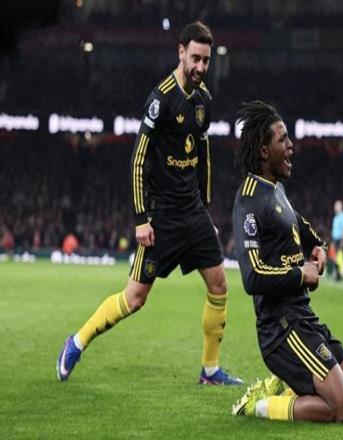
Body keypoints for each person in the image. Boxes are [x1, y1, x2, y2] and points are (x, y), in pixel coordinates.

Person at [56, 21, 243, 386]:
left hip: (193, 212)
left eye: (206, 60)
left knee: (219, 285)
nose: (200, 67)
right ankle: (76, 342)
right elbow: (138, 159)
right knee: (135, 299)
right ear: (180, 52)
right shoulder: (161, 98)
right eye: (195, 58)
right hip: (163, 217)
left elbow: (203, 155)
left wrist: (206, 209)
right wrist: (141, 218)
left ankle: (210, 371)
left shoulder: (204, 99)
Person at [231, 101, 343, 423]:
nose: (291, 146)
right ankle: (261, 404)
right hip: (280, 328)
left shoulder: (277, 191)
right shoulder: (249, 200)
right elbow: (252, 277)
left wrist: (320, 249)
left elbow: (304, 231)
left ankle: (291, 389)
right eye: (283, 140)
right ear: (264, 151)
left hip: (303, 317)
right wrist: (300, 274)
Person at [331, 200, 343, 280]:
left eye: (336, 206)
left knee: (338, 257)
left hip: (339, 239)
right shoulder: (336, 216)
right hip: (334, 239)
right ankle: (336, 273)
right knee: (334, 256)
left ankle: (339, 273)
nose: (335, 208)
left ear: (340, 207)